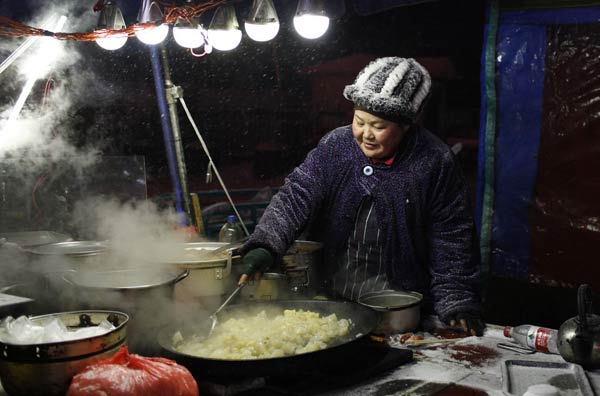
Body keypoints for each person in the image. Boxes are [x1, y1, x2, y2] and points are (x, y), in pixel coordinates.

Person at [238, 57, 484, 336]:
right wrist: (266, 243)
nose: (365, 134)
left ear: (406, 125)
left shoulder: (433, 162)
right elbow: (297, 194)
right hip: (331, 300)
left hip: (397, 308)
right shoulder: (337, 146)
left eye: (378, 126)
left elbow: (451, 235)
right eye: (359, 121)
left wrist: (457, 299)